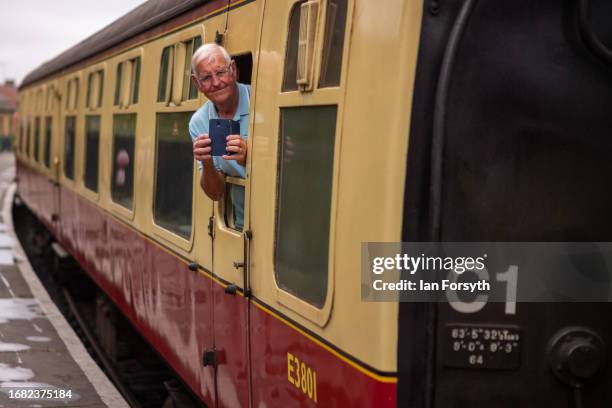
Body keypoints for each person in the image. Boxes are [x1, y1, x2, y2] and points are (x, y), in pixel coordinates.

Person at [189, 43, 249, 231]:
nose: (216, 83)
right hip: (240, 227)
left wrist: (250, 158)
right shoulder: (198, 122)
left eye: (221, 72)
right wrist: (206, 162)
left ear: (233, 70)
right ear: (197, 84)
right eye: (206, 77)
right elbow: (215, 194)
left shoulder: (262, 101)